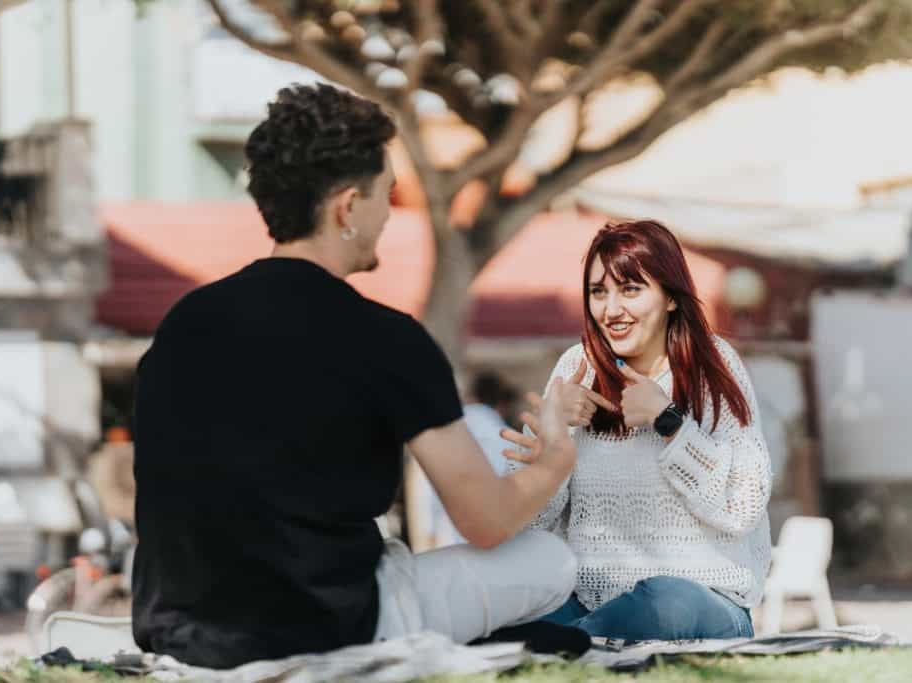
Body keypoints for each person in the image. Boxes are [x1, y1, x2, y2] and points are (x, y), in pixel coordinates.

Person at [131, 83, 579, 669]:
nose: (390, 213)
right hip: (327, 622)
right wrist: (554, 463)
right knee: (550, 560)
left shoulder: (181, 324)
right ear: (347, 207)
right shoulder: (384, 337)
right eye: (385, 194)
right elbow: (487, 521)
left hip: (181, 632)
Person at [502, 220, 772, 642]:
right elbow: (520, 528)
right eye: (598, 292)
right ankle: (567, 643)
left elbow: (743, 505)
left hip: (702, 600)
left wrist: (670, 423)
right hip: (588, 601)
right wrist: (550, 451)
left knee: (662, 600)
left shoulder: (714, 366)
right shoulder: (577, 369)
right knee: (505, 612)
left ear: (668, 297)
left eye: (630, 289)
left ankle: (564, 645)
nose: (611, 310)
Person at [421, 372, 518, 547]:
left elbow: (427, 497)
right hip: (499, 544)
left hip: (449, 544)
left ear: (471, 397)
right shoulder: (511, 440)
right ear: (501, 405)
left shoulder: (440, 434)